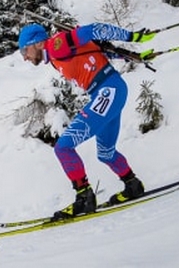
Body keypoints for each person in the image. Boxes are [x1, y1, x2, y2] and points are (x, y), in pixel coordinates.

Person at [17, 21, 156, 220]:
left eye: (25, 50)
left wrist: (133, 37)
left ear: (38, 43)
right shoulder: (55, 56)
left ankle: (84, 197)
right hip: (109, 91)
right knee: (106, 153)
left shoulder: (55, 45)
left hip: (108, 91)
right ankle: (133, 185)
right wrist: (134, 56)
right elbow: (96, 49)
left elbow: (92, 30)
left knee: (63, 147)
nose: (25, 57)